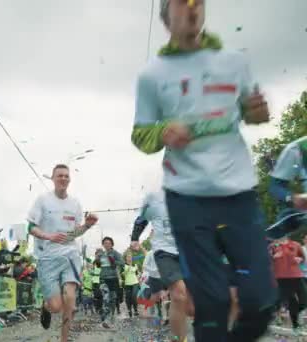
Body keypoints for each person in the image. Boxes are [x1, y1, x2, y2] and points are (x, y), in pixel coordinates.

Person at [131, 0, 276, 340]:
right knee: (211, 304)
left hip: (238, 194)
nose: (192, 7)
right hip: (187, 198)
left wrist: (257, 112)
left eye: (197, 1)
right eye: (182, 3)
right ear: (167, 18)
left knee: (260, 300)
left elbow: (253, 113)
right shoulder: (152, 75)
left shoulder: (234, 63)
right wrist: (163, 131)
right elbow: (140, 134)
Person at [27, 164, 98, 342]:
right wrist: (48, 236)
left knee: (70, 301)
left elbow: (73, 234)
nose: (63, 179)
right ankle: (46, 305)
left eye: (66, 176)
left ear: (70, 180)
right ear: (53, 178)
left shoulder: (75, 204)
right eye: (59, 176)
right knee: (56, 306)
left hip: (70, 256)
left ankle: (64, 339)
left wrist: (87, 225)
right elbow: (30, 227)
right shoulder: (43, 200)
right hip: (48, 257)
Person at [131, 190, 190, 341]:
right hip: (164, 252)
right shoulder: (153, 198)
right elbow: (141, 218)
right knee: (178, 294)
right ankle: (179, 338)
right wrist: (135, 238)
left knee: (189, 306)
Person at [269, 237, 306, 335]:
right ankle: (296, 326)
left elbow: (302, 258)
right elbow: (264, 260)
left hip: (297, 275)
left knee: (304, 300)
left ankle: (296, 313)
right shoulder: (273, 246)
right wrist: (273, 257)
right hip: (282, 278)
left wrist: (300, 259)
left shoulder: (296, 244)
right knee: (292, 302)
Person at [98, 236, 123, 328]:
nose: (107, 244)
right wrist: (97, 259)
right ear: (103, 244)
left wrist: (113, 261)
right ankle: (105, 320)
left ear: (112, 244)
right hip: (103, 279)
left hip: (113, 279)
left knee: (112, 300)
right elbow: (97, 265)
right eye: (105, 243)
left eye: (109, 243)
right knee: (105, 298)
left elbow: (122, 263)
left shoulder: (115, 253)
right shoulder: (101, 254)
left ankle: (112, 316)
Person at [122, 253, 139, 318]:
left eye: (130, 257)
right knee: (128, 298)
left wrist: (139, 279)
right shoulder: (123, 265)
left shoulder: (135, 265)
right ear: (126, 258)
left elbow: (137, 274)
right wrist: (129, 267)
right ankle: (129, 310)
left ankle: (135, 310)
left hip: (135, 283)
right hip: (127, 284)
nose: (129, 258)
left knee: (134, 296)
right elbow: (123, 275)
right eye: (128, 257)